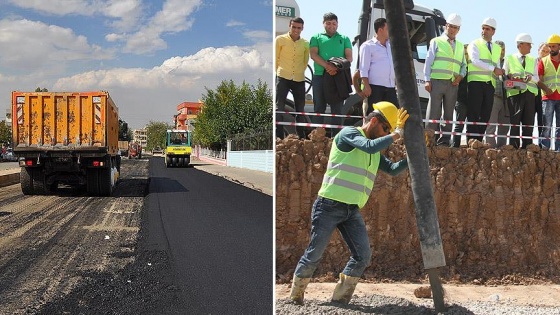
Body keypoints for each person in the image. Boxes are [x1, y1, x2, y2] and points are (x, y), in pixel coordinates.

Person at [289, 102, 410, 305]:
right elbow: (369, 146)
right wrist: (397, 133)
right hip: (328, 205)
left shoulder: (373, 149)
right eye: (385, 129)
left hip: (351, 210)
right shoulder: (349, 134)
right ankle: (295, 296)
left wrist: (414, 155)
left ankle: (340, 299)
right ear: (373, 121)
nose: (386, 134)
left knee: (362, 255)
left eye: (389, 130)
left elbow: (393, 169)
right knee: (314, 255)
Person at [423, 13, 466, 146]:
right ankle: (429, 140)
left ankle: (444, 142)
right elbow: (428, 61)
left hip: (453, 83)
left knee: (448, 114)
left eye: (455, 27)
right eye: (450, 26)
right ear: (446, 26)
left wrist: (460, 76)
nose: (452, 29)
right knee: (433, 112)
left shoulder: (460, 46)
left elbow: (463, 65)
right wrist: (427, 79)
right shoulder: (436, 41)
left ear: (458, 29)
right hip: (436, 81)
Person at [310, 12, 352, 137]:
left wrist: (336, 67)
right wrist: (327, 66)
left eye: (334, 23)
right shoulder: (316, 37)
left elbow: (349, 58)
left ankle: (337, 139)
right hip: (320, 76)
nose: (331, 26)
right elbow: (313, 54)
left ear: (337, 24)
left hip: (338, 78)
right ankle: (317, 139)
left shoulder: (344, 39)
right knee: (319, 108)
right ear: (323, 24)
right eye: (328, 23)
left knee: (337, 110)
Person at [466, 18, 504, 142]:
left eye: (487, 29)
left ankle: (479, 140)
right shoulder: (475, 43)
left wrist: (505, 75)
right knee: (474, 112)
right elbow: (475, 61)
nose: (484, 31)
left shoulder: (497, 48)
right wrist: (493, 69)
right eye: (483, 28)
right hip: (475, 82)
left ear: (493, 31)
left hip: (490, 85)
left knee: (486, 114)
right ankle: (471, 140)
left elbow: (498, 67)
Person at [275, 17, 309, 139]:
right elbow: (276, 58)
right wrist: (279, 72)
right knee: (279, 106)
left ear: (302, 28)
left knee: (300, 109)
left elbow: (305, 61)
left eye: (299, 28)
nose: (296, 30)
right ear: (289, 26)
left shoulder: (305, 44)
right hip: (283, 77)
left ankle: (301, 136)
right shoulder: (280, 40)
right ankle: (279, 137)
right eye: (294, 27)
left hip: (299, 79)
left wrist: (299, 72)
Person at [503, 33, 539, 149]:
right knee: (515, 122)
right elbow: (503, 75)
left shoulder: (533, 60)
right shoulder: (509, 58)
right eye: (529, 45)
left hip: (529, 94)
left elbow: (537, 78)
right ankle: (513, 146)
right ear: (520, 45)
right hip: (514, 94)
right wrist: (510, 76)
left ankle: (527, 146)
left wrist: (530, 78)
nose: (531, 47)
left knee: (528, 122)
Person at [358, 18, 398, 115]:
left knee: (391, 114)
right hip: (375, 88)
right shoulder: (367, 46)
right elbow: (363, 68)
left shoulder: (391, 46)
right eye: (388, 29)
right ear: (380, 30)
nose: (390, 31)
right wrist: (366, 86)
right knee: (374, 115)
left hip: (390, 87)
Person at [484, 40, 509, 148]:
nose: (501, 52)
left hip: (506, 99)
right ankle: (491, 149)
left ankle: (501, 150)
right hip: (493, 97)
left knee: (504, 126)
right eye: (499, 49)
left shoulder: (508, 63)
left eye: (503, 49)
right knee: (491, 125)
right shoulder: (491, 63)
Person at [538, 34, 560, 151]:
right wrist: (546, 89)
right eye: (550, 46)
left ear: (559, 46)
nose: (551, 49)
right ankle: (545, 150)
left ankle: (558, 150)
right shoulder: (543, 61)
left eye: (554, 46)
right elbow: (539, 81)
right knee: (546, 126)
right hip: (548, 98)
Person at [452, 44, 469, 147]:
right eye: (465, 53)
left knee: (470, 126)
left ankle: (469, 146)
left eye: (468, 53)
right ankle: (455, 146)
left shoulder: (473, 68)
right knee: (459, 124)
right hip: (461, 100)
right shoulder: (458, 68)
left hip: (472, 100)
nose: (467, 55)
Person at [535, 42, 551, 144]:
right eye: (543, 51)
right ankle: (528, 145)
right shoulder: (531, 62)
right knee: (529, 121)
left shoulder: (549, 64)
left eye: (547, 52)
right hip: (531, 95)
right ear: (538, 51)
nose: (544, 53)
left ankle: (541, 146)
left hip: (544, 96)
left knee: (543, 121)